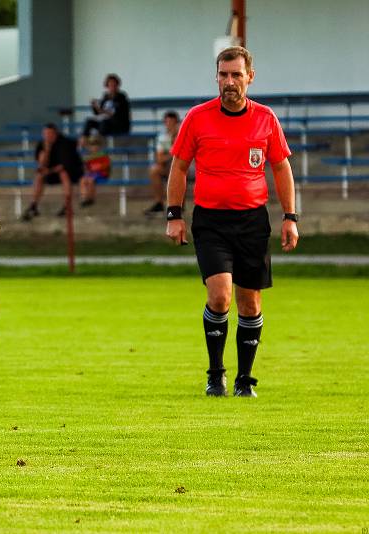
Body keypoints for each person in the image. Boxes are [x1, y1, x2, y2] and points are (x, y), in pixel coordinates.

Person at [165, 46, 299, 398]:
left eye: (236, 75)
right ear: (216, 77)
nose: (229, 82)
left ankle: (245, 380)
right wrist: (174, 215)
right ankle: (215, 375)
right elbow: (179, 167)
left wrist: (290, 217)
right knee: (220, 295)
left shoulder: (266, 119)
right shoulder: (198, 117)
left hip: (253, 221)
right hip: (210, 221)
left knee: (250, 303)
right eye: (223, 75)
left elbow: (281, 167)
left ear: (250, 77)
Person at [22, 123, 84, 220]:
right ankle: (33, 205)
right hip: (52, 172)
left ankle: (67, 206)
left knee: (64, 174)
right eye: (45, 134)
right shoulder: (42, 144)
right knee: (39, 176)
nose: (47, 136)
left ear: (55, 133)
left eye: (49, 134)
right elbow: (41, 164)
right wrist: (47, 150)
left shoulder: (64, 143)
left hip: (72, 171)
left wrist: (49, 171)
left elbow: (64, 165)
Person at [144, 111, 181, 215]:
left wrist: (170, 154)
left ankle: (178, 204)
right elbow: (160, 159)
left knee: (178, 169)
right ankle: (159, 203)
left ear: (177, 123)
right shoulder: (162, 138)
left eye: (172, 122)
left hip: (185, 167)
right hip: (170, 167)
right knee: (154, 170)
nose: (169, 125)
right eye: (167, 122)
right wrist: (173, 153)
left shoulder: (184, 135)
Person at [81, 73, 131, 145]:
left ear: (117, 85)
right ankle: (83, 141)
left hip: (118, 124)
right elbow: (98, 112)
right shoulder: (105, 96)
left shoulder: (122, 97)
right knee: (89, 121)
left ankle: (98, 144)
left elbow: (116, 113)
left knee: (104, 122)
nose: (112, 87)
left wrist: (103, 111)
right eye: (110, 85)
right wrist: (94, 106)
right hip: (105, 123)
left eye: (114, 85)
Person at [79, 135, 111, 208]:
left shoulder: (103, 155)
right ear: (90, 147)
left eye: (96, 145)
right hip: (92, 173)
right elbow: (87, 167)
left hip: (101, 174)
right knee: (83, 180)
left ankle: (91, 198)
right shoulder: (89, 156)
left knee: (90, 180)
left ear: (99, 147)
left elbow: (105, 166)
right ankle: (84, 198)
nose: (94, 147)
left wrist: (96, 168)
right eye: (92, 146)